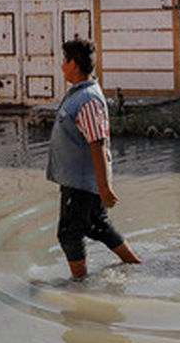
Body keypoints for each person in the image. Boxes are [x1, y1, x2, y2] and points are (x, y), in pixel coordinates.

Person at [46, 38, 142, 280]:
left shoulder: (87, 99)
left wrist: (104, 188)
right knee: (96, 225)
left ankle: (79, 284)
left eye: (64, 60)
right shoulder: (80, 93)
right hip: (79, 178)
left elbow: (97, 143)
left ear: (74, 64)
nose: (61, 66)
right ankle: (135, 264)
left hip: (81, 183)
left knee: (69, 233)